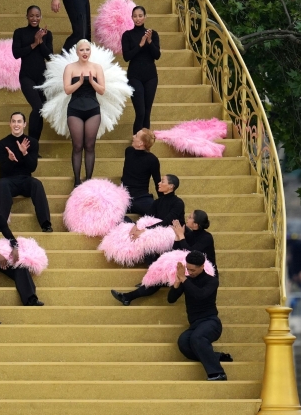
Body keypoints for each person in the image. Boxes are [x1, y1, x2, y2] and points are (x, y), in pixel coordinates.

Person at [112, 210, 215, 306]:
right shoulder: (189, 234)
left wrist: (181, 235)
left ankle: (130, 295)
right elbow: (176, 250)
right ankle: (128, 297)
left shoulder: (207, 237)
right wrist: (177, 236)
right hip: (187, 269)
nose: (187, 218)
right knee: (159, 275)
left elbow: (191, 254)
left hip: (202, 272)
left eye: (190, 217)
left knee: (160, 277)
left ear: (196, 224)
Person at [169, 250, 232, 381]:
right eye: (188, 269)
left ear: (202, 267)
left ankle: (218, 373)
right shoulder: (186, 281)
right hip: (195, 325)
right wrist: (177, 282)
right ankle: (215, 356)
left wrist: (184, 279)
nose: (190, 272)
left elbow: (200, 295)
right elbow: (171, 299)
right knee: (184, 342)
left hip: (211, 322)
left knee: (197, 338)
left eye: (193, 270)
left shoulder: (211, 281)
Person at [0, 112, 52, 232]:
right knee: (1, 184)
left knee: (37, 183)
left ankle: (45, 223)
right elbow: (4, 169)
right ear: (10, 124)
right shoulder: (1, 144)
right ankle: (0, 224)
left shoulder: (32, 142)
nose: (16, 124)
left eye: (19, 121)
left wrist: (25, 153)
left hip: (25, 180)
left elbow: (32, 168)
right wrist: (10, 159)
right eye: (14, 121)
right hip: (8, 180)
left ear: (24, 124)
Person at [64, 39, 106, 185]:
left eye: (87, 50)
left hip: (92, 109)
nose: (85, 52)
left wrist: (91, 81)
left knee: (89, 145)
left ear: (90, 51)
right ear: (77, 52)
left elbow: (102, 90)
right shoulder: (70, 67)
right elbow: (67, 90)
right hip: (75, 109)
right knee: (77, 146)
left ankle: (88, 180)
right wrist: (80, 82)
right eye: (82, 50)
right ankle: (76, 180)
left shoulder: (96, 67)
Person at [12, 5, 53, 140]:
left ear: (41, 17)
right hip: (26, 77)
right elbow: (16, 53)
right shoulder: (19, 32)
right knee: (37, 107)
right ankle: (31, 144)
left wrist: (41, 42)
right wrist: (34, 43)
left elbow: (49, 57)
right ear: (27, 16)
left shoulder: (47, 34)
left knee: (40, 111)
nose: (34, 18)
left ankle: (34, 146)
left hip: (42, 78)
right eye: (31, 15)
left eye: (37, 16)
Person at [122, 6, 161, 133]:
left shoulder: (153, 34)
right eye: (135, 16)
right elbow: (126, 57)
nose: (138, 18)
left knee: (147, 111)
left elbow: (157, 55)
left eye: (140, 16)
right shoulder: (127, 35)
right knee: (141, 112)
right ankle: (136, 143)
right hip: (134, 76)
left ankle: (145, 145)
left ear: (145, 17)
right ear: (132, 18)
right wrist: (140, 44)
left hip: (151, 76)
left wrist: (149, 41)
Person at [121, 128, 161, 217]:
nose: (133, 136)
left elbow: (157, 182)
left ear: (141, 143)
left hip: (141, 198)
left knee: (157, 213)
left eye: (136, 135)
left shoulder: (152, 160)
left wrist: (163, 202)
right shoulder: (129, 151)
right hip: (123, 196)